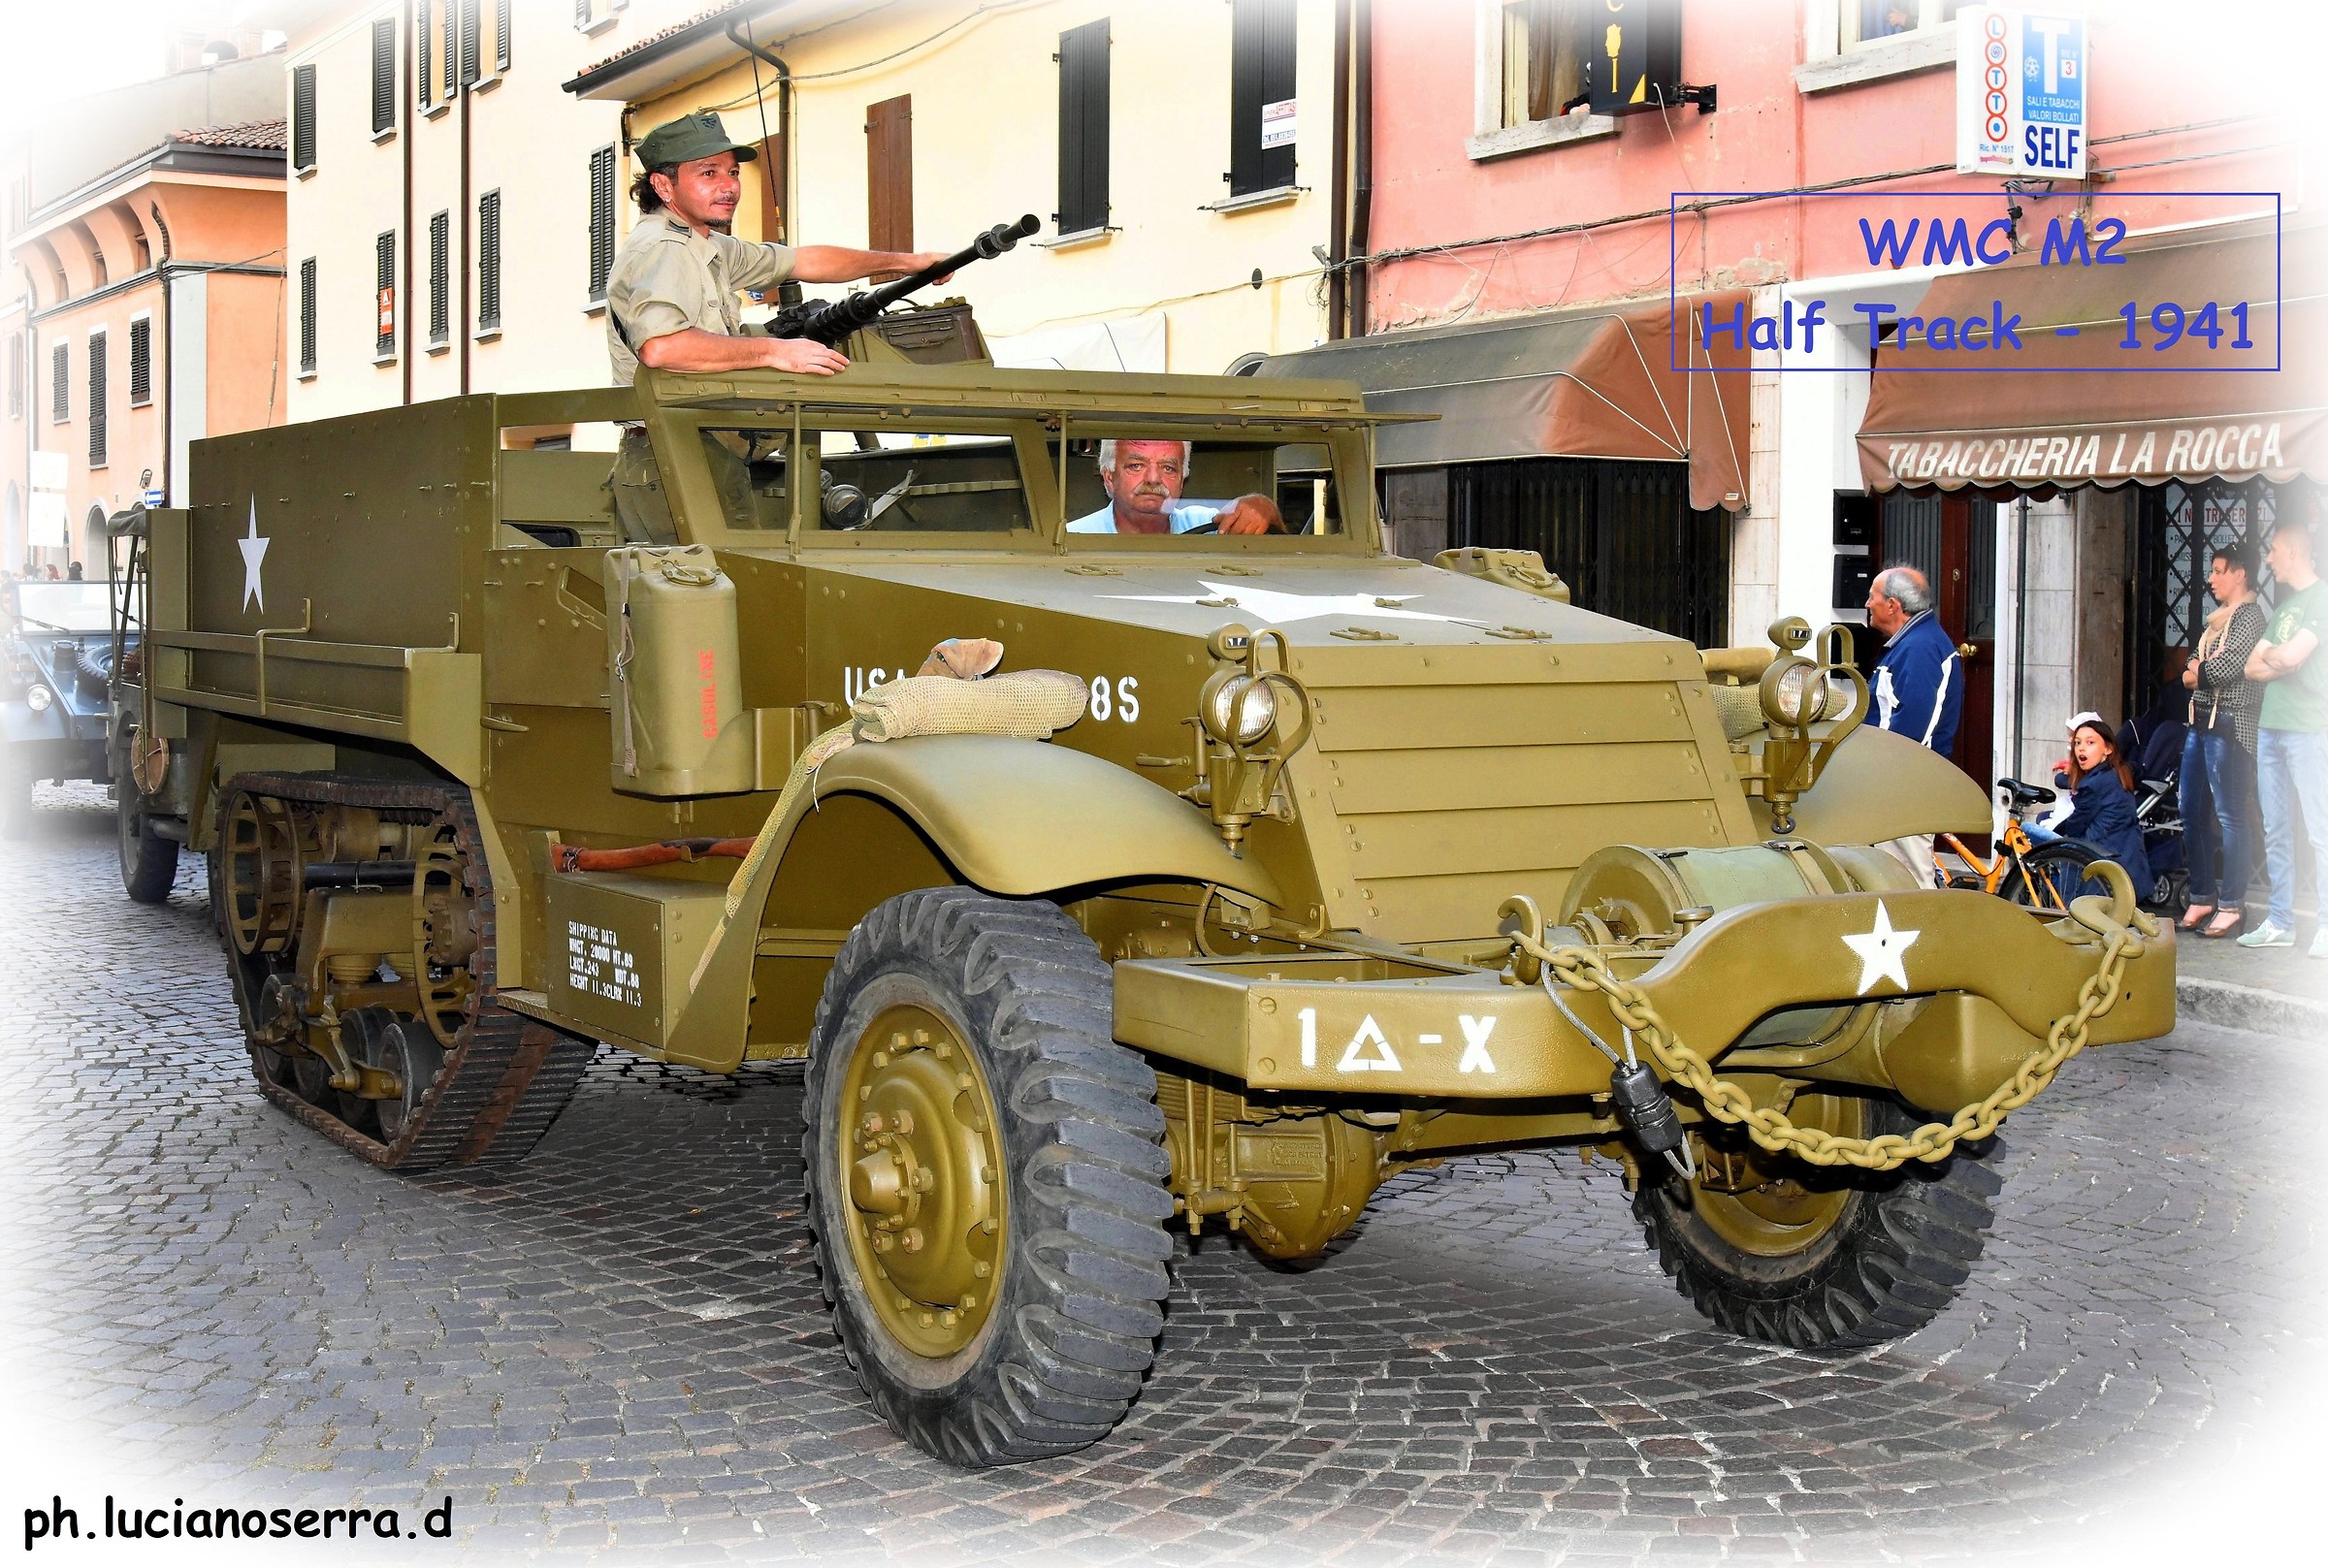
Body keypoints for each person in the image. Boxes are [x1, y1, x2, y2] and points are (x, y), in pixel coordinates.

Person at [603, 112, 954, 545]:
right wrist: (773, 351)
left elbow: (804, 261)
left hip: (698, 446)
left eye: (732, 172)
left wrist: (908, 263)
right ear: (663, 186)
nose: (729, 185)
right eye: (708, 173)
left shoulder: (707, 246)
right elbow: (662, 347)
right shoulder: (662, 248)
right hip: (673, 449)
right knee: (717, 596)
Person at [2240, 518, 2328, 956]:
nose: (2269, 559)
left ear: (2293, 550)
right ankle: (2280, 921)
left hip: (2308, 729)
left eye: (2273, 550)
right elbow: (2252, 668)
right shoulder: (2288, 608)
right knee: (2275, 828)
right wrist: (2281, 660)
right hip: (2271, 728)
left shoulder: (2321, 598)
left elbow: (2289, 656)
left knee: (2319, 829)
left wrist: (2279, 658)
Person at [2177, 544, 2265, 938]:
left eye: (2218, 571)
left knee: (2230, 815)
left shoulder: (2249, 617)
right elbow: (2188, 671)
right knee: (2189, 808)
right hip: (2201, 722)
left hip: (2230, 725)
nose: (2211, 579)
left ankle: (2232, 903)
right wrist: (2201, 669)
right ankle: (2201, 895)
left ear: (2240, 574)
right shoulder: (2216, 621)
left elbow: (2228, 668)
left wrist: (2202, 669)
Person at [1863, 564, 1964, 883]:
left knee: (1909, 881)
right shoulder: (1914, 643)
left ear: (1893, 605)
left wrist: (1883, 775)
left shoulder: (1920, 648)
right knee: (1892, 876)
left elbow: (1917, 726)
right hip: (1898, 782)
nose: (1867, 604)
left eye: (1873, 597)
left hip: (1905, 785)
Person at [2036, 714, 2152, 895]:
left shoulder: (2094, 783)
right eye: (2078, 743)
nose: (2082, 749)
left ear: (2108, 749)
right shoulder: (2117, 773)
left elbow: (2075, 826)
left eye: (2090, 743)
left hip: (2101, 864)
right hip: (2130, 860)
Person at [1066, 439, 1284, 535]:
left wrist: (1264, 509)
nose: (1153, 479)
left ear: (1183, 479)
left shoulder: (1213, 528)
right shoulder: (1072, 538)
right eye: (1136, 465)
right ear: (1109, 477)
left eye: (1168, 468)